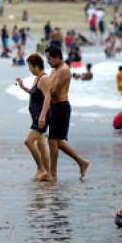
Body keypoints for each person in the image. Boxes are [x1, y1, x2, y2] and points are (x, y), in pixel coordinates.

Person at [45, 46, 90, 180]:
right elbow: (47, 87)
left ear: (58, 57)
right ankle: (82, 162)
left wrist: (45, 87)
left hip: (61, 107)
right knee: (56, 142)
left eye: (50, 59)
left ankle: (53, 174)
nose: (48, 62)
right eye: (47, 59)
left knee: (53, 141)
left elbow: (53, 90)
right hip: (54, 106)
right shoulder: (54, 70)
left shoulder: (64, 70)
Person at [15, 53, 52, 182]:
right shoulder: (37, 78)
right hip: (36, 116)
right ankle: (47, 173)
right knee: (41, 145)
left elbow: (48, 97)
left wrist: (42, 116)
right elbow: (33, 93)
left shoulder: (44, 78)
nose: (29, 69)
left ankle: (41, 169)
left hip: (41, 117)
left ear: (36, 66)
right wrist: (22, 86)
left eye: (30, 66)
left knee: (28, 141)